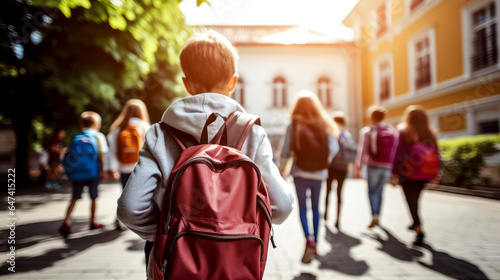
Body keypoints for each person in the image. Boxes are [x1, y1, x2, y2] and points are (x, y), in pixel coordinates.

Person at [116, 29, 294, 279]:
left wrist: (167, 233)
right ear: (233, 82)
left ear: (186, 83)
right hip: (237, 264)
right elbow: (282, 206)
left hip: (175, 263)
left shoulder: (160, 134)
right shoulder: (251, 134)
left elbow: (129, 207)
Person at [279, 90, 339, 264]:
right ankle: (317, 244)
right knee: (316, 208)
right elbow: (334, 147)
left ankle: (308, 240)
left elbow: (286, 150)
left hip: (299, 172)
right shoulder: (324, 124)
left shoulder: (294, 124)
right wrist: (324, 160)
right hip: (319, 174)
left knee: (303, 209)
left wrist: (282, 172)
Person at [390, 105, 440, 246]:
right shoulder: (430, 133)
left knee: (411, 202)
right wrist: (436, 174)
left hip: (407, 174)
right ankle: (415, 223)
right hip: (424, 174)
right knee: (416, 201)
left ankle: (419, 230)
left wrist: (394, 174)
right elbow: (437, 155)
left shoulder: (403, 132)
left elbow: (397, 154)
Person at [59, 111, 109, 236]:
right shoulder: (98, 136)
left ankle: (66, 221)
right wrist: (104, 172)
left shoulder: (77, 137)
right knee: (93, 197)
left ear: (82, 124)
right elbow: (103, 156)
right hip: (93, 172)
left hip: (77, 174)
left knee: (74, 197)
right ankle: (92, 221)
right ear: (97, 124)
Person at [105, 99, 150, 229]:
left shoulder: (118, 127)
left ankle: (120, 219)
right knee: (141, 195)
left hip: (124, 166)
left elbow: (112, 151)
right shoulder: (145, 126)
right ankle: (140, 221)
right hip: (140, 167)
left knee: (124, 194)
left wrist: (112, 169)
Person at [354, 105, 397, 229]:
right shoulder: (390, 130)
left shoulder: (367, 131)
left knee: (371, 191)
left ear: (371, 117)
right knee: (380, 191)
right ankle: (379, 215)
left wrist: (358, 167)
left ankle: (374, 215)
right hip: (387, 165)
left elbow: (362, 151)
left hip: (373, 165)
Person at [324, 111, 356, 230]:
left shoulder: (333, 133)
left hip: (332, 166)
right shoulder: (348, 135)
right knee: (339, 193)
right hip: (344, 167)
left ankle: (326, 214)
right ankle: (338, 220)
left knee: (328, 191)